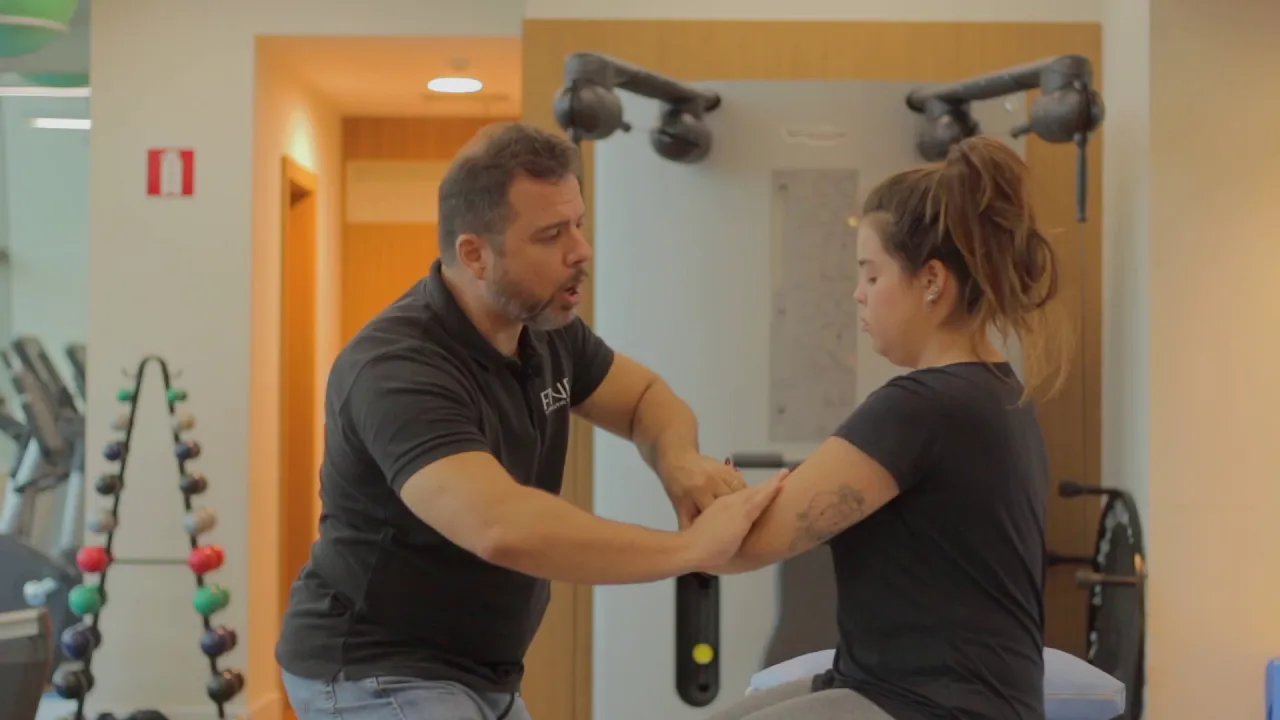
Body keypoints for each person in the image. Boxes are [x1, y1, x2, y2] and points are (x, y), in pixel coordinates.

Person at [275, 121, 785, 720]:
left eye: (579, 225)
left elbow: (645, 398)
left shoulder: (546, 331)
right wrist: (690, 550)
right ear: (475, 254)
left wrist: (679, 462)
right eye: (551, 235)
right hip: (376, 670)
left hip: (481, 673)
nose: (581, 251)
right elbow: (501, 526)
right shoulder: (397, 368)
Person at [707, 136, 1072, 720]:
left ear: (931, 280)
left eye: (872, 276)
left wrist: (692, 479)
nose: (858, 294)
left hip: (930, 705)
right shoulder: (998, 393)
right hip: (908, 688)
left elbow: (741, 548)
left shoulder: (922, 409)